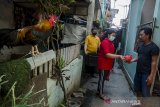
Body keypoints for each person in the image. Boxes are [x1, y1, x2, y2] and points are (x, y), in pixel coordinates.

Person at [128, 27, 159, 97]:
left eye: (141, 35)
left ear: (147, 35)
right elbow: (138, 57)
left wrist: (151, 76)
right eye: (139, 35)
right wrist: (131, 61)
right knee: (136, 90)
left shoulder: (154, 47)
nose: (140, 36)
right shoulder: (141, 46)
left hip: (146, 74)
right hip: (138, 72)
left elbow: (154, 62)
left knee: (145, 93)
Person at [97, 28, 124, 100]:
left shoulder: (111, 42)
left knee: (102, 79)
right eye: (113, 35)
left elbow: (112, 53)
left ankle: (99, 91)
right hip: (103, 64)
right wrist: (118, 56)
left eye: (115, 36)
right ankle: (101, 94)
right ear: (108, 35)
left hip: (107, 64)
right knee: (102, 79)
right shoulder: (105, 42)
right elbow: (107, 54)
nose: (114, 37)